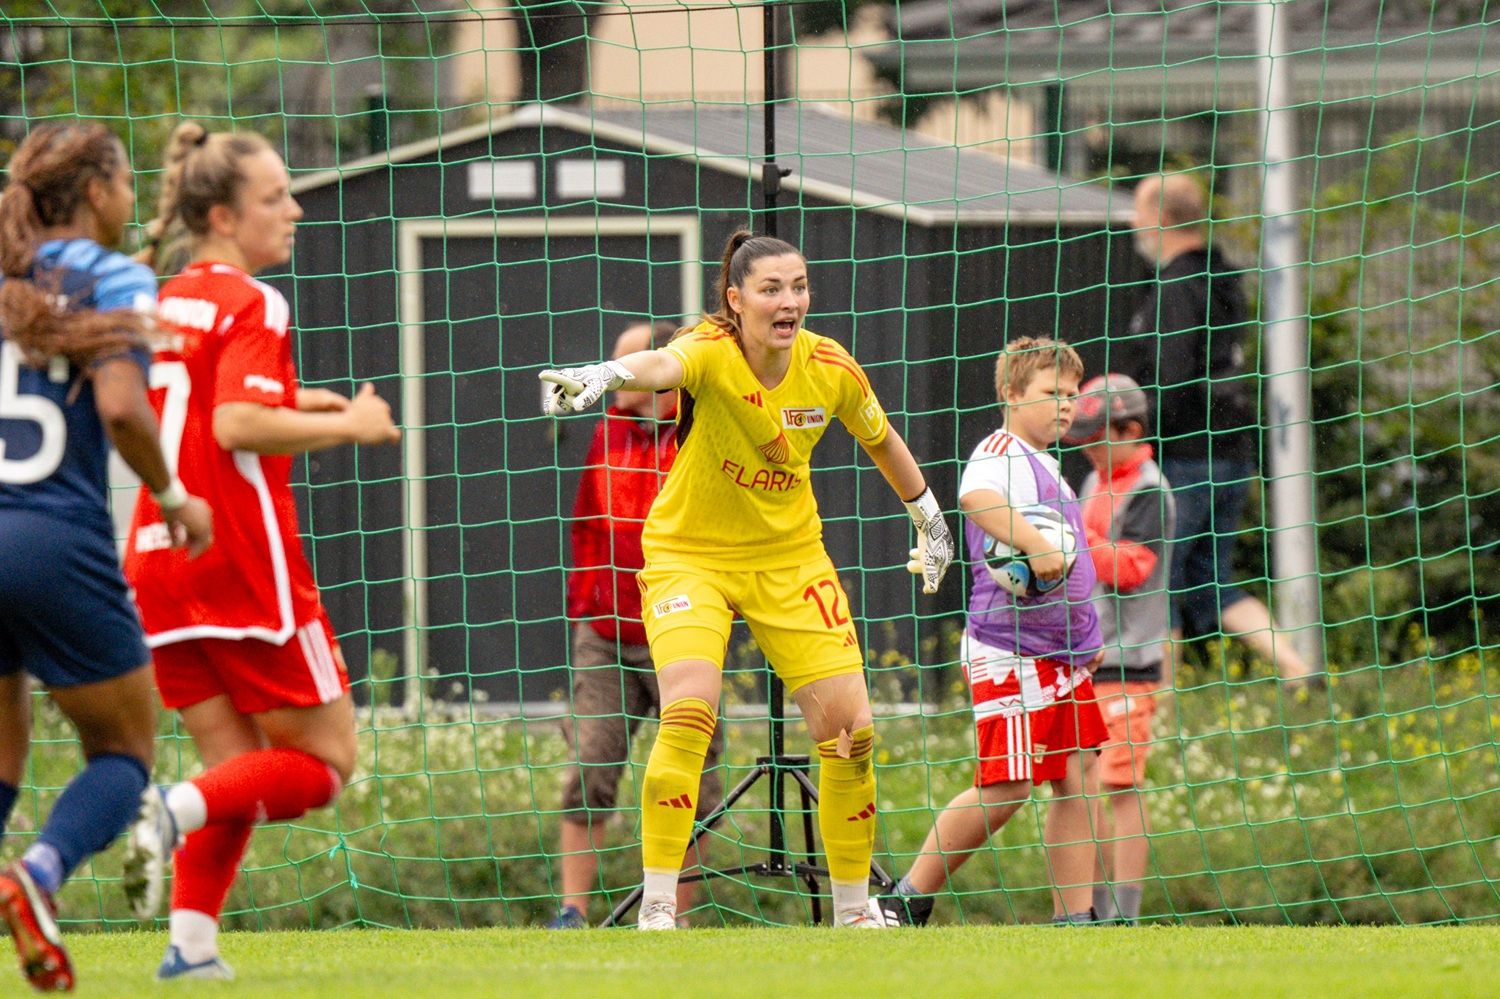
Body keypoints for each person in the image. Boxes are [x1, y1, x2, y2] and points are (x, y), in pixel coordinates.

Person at [540, 229, 954, 930]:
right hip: (689, 555)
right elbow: (661, 364)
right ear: (736, 301)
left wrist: (931, 521)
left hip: (790, 560)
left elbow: (881, 438)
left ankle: (856, 912)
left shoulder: (830, 367)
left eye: (798, 286)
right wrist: (607, 376)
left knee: (851, 731)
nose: (789, 301)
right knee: (692, 711)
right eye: (771, 289)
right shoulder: (710, 347)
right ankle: (660, 906)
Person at [121, 121, 401, 981]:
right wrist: (351, 425)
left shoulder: (163, 300)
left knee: (236, 767)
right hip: (241, 560)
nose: (295, 207)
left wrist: (312, 407)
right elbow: (234, 422)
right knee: (325, 763)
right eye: (274, 195)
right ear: (220, 215)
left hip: (156, 559)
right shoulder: (256, 300)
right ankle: (169, 810)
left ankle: (192, 947)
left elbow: (217, 407)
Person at [0, 122, 213, 991]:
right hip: (52, 535)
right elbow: (124, 409)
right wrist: (172, 495)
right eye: (128, 181)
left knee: (4, 753)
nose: (134, 198)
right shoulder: (114, 277)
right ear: (96, 193)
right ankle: (39, 875)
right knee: (126, 748)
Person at [872, 336, 1106, 928]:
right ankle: (906, 897)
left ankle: (1077, 919)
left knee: (1078, 776)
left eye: (1073, 395)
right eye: (1052, 393)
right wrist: (1034, 545)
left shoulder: (1050, 464)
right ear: (1010, 394)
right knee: (1008, 788)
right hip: (1012, 651)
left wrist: (1088, 637)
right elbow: (975, 500)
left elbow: (1073, 565)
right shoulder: (999, 452)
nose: (1066, 405)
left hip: (1064, 653)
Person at [549, 319, 724, 930]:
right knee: (591, 769)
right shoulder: (606, 436)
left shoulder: (700, 434)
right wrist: (585, 605)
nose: (614, 382)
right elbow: (586, 524)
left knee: (698, 780)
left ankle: (673, 915)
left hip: (682, 631)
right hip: (606, 631)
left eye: (626, 371)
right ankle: (571, 911)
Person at [1122, 172, 1318, 683]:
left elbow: (1173, 374)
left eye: (1139, 212)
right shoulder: (1220, 276)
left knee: (1157, 577)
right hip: (1231, 450)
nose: (1133, 223)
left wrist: (1131, 434)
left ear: (1162, 218)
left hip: (1186, 453)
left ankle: (1157, 709)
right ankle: (1301, 673)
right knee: (1210, 581)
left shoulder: (1178, 284)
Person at [1064, 373, 1176, 926]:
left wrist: (1068, 539)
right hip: (1088, 658)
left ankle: (1124, 914)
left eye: (1096, 437)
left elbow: (1132, 569)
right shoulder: (1091, 483)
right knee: (1081, 785)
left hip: (1131, 663)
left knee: (1121, 786)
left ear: (1130, 429)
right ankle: (1093, 908)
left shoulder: (1150, 489)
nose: (1087, 449)